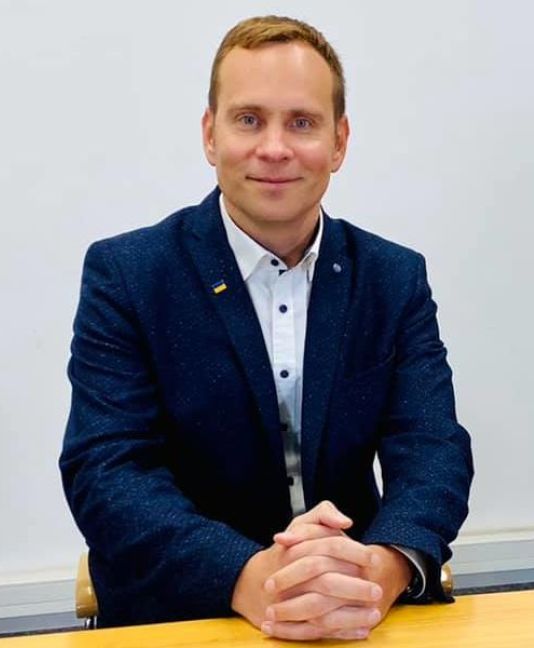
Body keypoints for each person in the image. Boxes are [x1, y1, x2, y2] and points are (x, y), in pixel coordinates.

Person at [59, 15, 473, 642]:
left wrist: (383, 567)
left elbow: (432, 447)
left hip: (356, 611)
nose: (275, 148)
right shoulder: (128, 274)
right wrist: (248, 575)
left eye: (302, 123)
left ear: (339, 141)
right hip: (185, 612)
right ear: (210, 134)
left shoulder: (393, 277)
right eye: (249, 119)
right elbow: (107, 469)